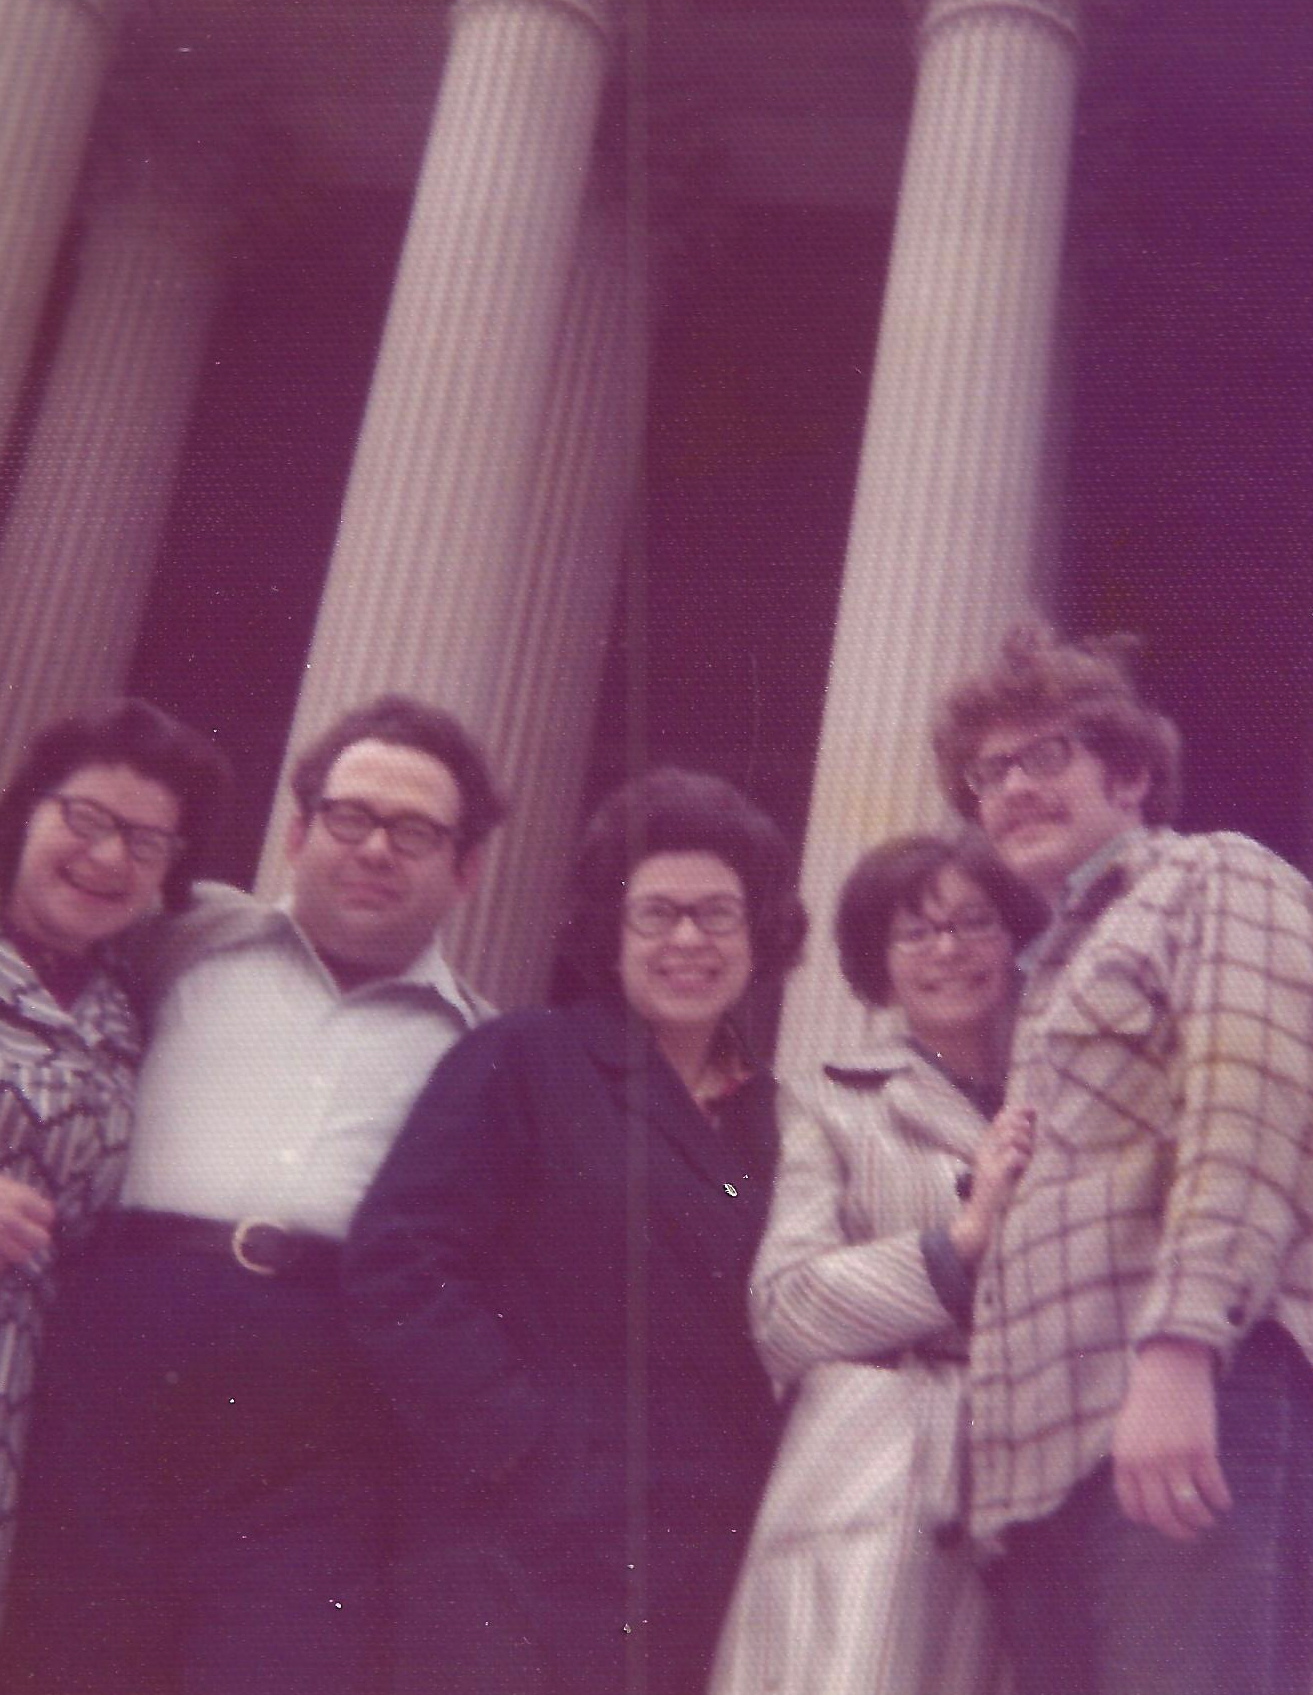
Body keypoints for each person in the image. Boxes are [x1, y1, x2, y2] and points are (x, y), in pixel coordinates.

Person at [0, 695, 505, 1695]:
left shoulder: (484, 1054)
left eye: (416, 832)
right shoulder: (181, 936)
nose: (375, 848)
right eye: (350, 816)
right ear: (297, 830)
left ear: (467, 869)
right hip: (112, 1366)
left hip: (316, 1424)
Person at [929, 622, 1313, 1695]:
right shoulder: (1055, 972)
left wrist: (1181, 1351)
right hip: (1060, 1482)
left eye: (1046, 755)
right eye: (988, 773)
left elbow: (1251, 1116)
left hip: (1205, 1413)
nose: (1012, 788)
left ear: (1130, 775)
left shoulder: (1217, 877)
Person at [345, 766, 808, 1695]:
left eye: (718, 913)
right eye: (656, 914)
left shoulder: (779, 1120)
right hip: (517, 1552)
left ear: (758, 932)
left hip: (698, 1566)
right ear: (611, 932)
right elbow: (400, 1266)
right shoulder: (525, 1057)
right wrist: (531, 1450)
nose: (689, 939)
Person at [710, 834, 1042, 1695]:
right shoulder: (829, 1103)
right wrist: (958, 1245)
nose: (948, 949)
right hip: (877, 1473)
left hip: (1034, 1477)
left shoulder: (1066, 1098)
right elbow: (785, 1311)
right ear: (878, 965)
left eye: (975, 922)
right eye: (915, 932)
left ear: (1015, 939)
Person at [0, 699, 226, 1610]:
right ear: (28, 809)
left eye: (145, 841)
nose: (106, 857)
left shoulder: (124, 1011)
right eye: (86, 817)